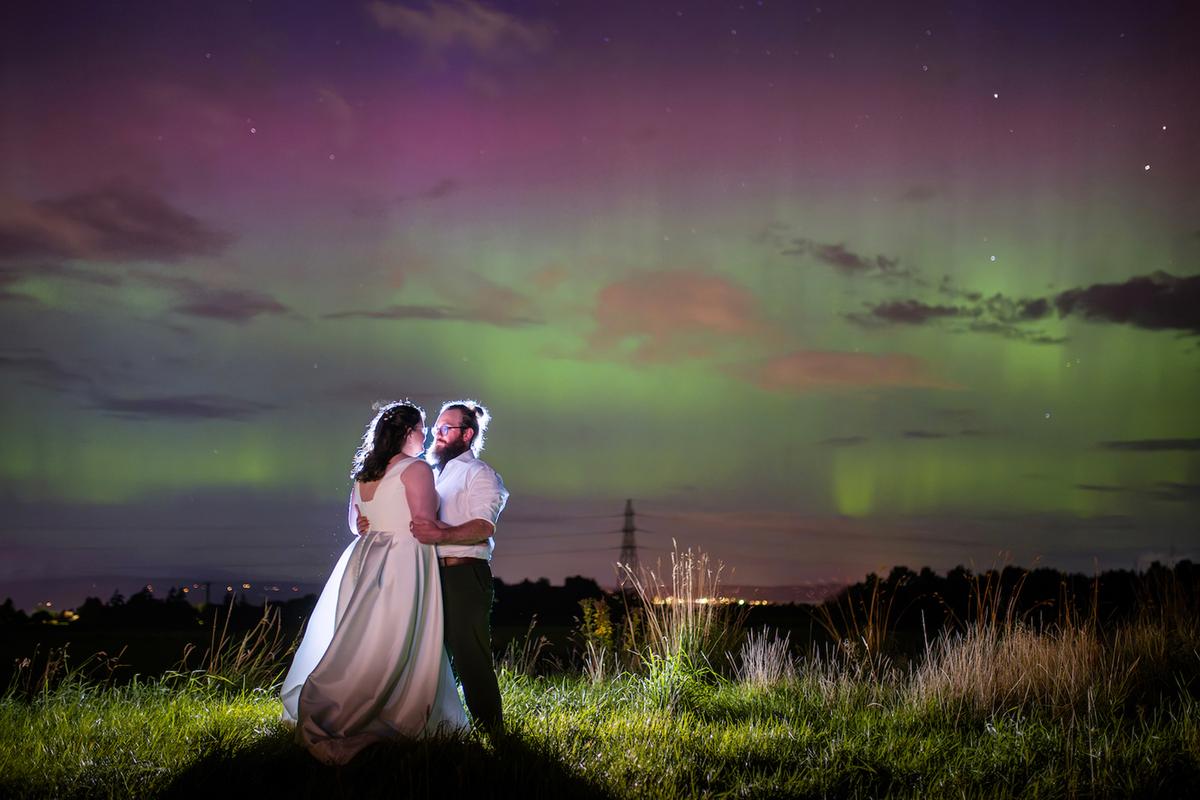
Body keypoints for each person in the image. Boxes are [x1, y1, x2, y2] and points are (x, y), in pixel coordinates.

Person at [280, 400, 466, 764]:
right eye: (422, 428)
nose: (425, 435)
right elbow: (424, 523)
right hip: (403, 559)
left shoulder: (365, 473)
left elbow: (356, 525)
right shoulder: (416, 469)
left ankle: (352, 698)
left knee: (363, 636)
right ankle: (396, 707)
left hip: (364, 559)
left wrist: (372, 523)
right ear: (407, 434)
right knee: (399, 636)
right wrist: (474, 535)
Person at [358, 399, 508, 733]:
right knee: (426, 656)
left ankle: (491, 730)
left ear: (467, 434)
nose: (435, 435)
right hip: (425, 576)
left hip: (462, 574)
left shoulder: (480, 474)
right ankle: (431, 726)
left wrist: (443, 532)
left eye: (445, 429)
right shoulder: (431, 473)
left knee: (470, 655)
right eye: (434, 428)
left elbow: (484, 526)